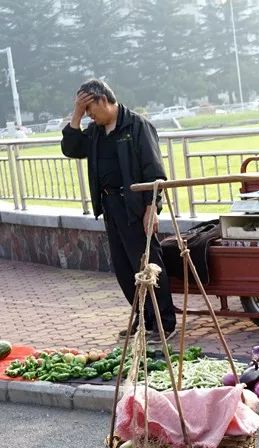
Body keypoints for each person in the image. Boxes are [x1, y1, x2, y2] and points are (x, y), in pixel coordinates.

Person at [61, 79, 176, 343]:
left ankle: (164, 323)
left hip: (135, 206)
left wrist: (152, 208)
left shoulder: (137, 126)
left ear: (103, 100)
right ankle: (144, 320)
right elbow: (71, 148)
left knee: (149, 265)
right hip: (110, 206)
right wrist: (76, 116)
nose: (89, 115)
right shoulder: (96, 132)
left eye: (89, 109)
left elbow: (155, 171)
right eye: (85, 111)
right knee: (125, 269)